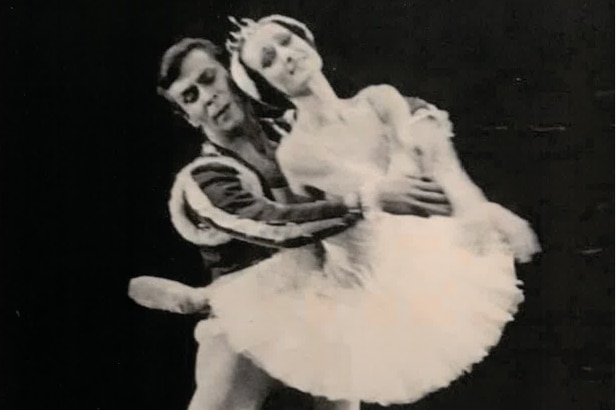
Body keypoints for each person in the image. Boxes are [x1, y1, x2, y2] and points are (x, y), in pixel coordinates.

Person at [191, 15, 542, 409]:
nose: (287, 57)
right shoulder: (295, 155)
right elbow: (305, 235)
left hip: (411, 265)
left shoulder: (380, 100)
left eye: (287, 41)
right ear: (267, 84)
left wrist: (480, 209)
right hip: (352, 286)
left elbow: (436, 166)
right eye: (269, 59)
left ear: (307, 39)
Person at [129, 37, 455, 410]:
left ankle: (195, 299)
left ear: (234, 75)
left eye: (209, 79)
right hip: (251, 318)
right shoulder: (205, 178)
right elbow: (273, 225)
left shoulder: (295, 131)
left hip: (325, 302)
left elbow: (367, 116)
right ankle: (199, 301)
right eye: (190, 97)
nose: (207, 97)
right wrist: (367, 199)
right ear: (188, 117)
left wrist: (418, 124)